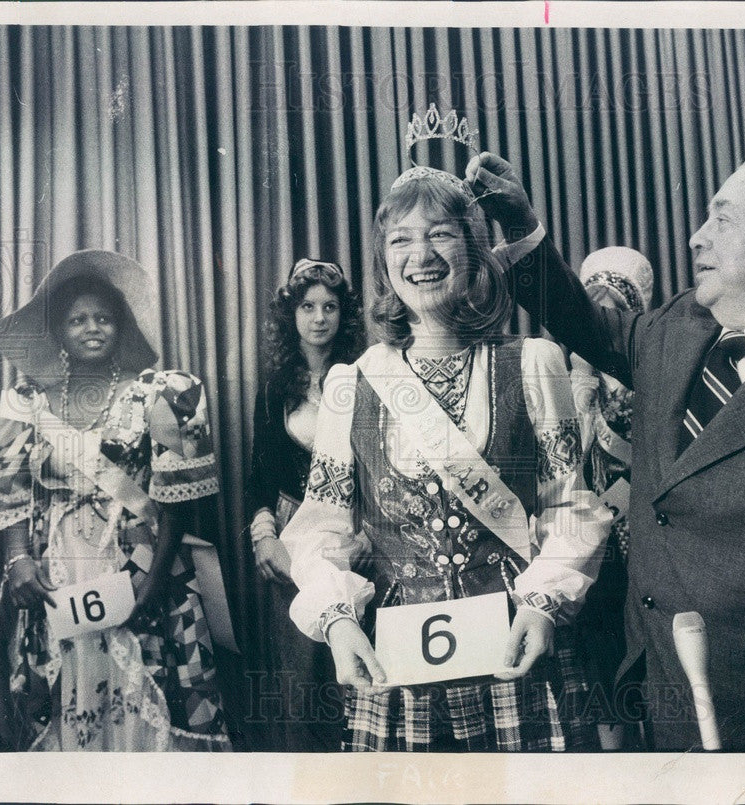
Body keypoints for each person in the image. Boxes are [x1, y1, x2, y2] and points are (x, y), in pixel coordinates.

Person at [466, 153, 745, 752]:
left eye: (722, 220)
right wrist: (521, 231)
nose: (696, 237)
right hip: (662, 700)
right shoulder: (678, 326)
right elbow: (583, 322)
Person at [279, 166, 611, 752]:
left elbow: (570, 506)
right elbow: (320, 529)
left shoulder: (533, 362)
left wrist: (542, 607)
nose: (421, 254)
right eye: (400, 239)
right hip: (401, 673)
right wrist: (336, 621)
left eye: (441, 234)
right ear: (384, 262)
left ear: (475, 249)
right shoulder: (353, 383)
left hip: (517, 652)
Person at [0, 250, 230, 751]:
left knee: (148, 689)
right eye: (77, 319)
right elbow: (10, 491)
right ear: (59, 333)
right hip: (58, 572)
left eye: (103, 317)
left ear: (122, 327)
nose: (91, 327)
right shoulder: (24, 400)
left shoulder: (166, 392)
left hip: (143, 567)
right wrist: (16, 560)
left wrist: (156, 581)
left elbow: (178, 505)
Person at [244, 258, 364, 750]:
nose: (319, 318)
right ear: (290, 316)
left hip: (356, 535)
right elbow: (258, 479)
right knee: (300, 679)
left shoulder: (365, 379)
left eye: (330, 307)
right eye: (308, 307)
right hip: (293, 538)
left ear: (343, 315)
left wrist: (370, 537)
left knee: (355, 674)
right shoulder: (275, 390)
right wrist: (265, 537)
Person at [569, 247, 653, 750]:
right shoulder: (558, 377)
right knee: (600, 644)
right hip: (586, 536)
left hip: (640, 534)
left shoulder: (648, 377)